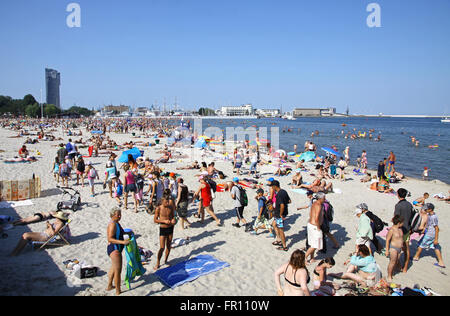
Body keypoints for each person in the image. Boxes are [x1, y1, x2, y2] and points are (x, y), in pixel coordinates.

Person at [412, 203, 446, 268]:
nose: (425, 210)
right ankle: (441, 262)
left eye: (426, 209)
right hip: (429, 233)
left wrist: (436, 239)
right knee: (436, 247)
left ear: (430, 209)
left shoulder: (433, 217)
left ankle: (416, 257)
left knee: (421, 245)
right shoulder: (429, 214)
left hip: (430, 234)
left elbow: (436, 228)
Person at [106, 207, 130, 296]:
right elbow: (110, 238)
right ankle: (118, 291)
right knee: (117, 271)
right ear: (112, 215)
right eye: (118, 215)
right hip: (115, 249)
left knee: (113, 268)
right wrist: (123, 242)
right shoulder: (112, 224)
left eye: (120, 214)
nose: (120, 216)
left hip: (114, 249)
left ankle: (109, 286)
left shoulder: (116, 223)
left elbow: (120, 233)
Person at [153, 192, 176, 270]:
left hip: (170, 228)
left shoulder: (170, 207)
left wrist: (173, 220)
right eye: (166, 202)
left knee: (168, 246)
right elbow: (155, 220)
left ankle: (166, 260)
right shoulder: (158, 208)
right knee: (162, 247)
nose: (167, 203)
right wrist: (164, 221)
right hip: (163, 228)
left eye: (168, 201)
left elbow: (173, 216)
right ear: (162, 201)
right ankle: (158, 262)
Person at [394, 188, 414, 273]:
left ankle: (399, 266)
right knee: (406, 249)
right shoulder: (409, 204)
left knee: (397, 249)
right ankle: (405, 267)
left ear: (398, 195)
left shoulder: (398, 205)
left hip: (400, 230)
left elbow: (396, 219)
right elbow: (412, 217)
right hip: (407, 229)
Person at [271, 180, 291, 252]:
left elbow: (282, 205)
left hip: (279, 215)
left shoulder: (279, 194)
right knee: (274, 224)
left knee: (281, 230)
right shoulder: (284, 191)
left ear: (275, 186)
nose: (272, 188)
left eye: (272, 187)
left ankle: (284, 246)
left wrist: (280, 214)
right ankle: (279, 239)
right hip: (281, 213)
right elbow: (289, 201)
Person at [305, 192, 325, 264]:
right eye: (324, 198)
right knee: (315, 244)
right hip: (314, 226)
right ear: (320, 198)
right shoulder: (318, 205)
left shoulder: (314, 203)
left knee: (312, 243)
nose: (325, 199)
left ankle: (312, 258)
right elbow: (316, 218)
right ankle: (304, 258)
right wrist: (318, 227)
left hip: (310, 225)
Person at [385, 215, 404, 282]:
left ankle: (394, 271)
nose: (403, 224)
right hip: (393, 248)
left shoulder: (400, 229)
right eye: (402, 222)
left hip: (399, 248)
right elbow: (387, 240)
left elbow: (401, 238)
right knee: (392, 262)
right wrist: (387, 250)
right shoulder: (392, 230)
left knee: (396, 261)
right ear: (399, 223)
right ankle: (389, 275)